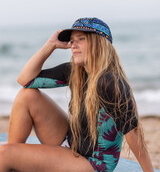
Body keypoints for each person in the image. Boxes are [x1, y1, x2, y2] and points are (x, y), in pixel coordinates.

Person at [0, 17, 154, 172]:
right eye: (72, 41)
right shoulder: (75, 72)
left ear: (98, 43)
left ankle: (11, 160)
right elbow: (25, 80)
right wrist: (51, 45)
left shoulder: (110, 82)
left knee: (4, 153)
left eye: (81, 39)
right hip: (71, 143)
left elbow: (133, 131)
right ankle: (14, 162)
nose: (74, 45)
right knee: (27, 95)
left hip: (93, 163)